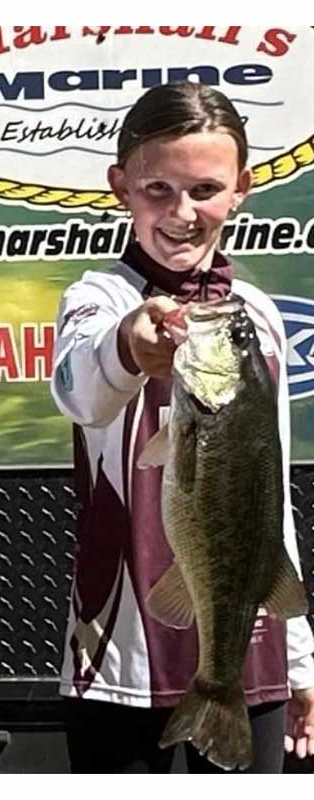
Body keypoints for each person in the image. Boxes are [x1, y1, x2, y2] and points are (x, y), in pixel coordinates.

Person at [51, 81, 314, 773]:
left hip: (250, 644)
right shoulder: (97, 296)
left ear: (241, 190)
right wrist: (130, 348)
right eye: (158, 190)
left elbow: (268, 496)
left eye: (205, 190)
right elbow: (80, 392)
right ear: (121, 187)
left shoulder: (257, 315)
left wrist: (299, 658)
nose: (182, 212)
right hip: (119, 647)